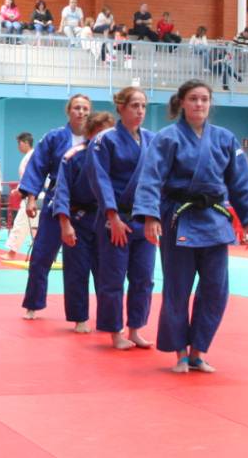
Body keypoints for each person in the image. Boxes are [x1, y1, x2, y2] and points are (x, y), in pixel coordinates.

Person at [133, 79, 248, 373]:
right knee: (177, 289)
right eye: (193, 98)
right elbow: (151, 178)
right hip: (179, 218)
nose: (199, 104)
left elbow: (241, 182)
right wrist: (150, 216)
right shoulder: (167, 138)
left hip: (214, 220)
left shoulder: (224, 138)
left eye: (204, 99)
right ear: (182, 102)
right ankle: (180, 352)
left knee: (216, 290)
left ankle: (198, 351)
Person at [86, 87, 155, 350]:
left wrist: (154, 216)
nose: (140, 111)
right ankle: (115, 331)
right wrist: (112, 216)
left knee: (144, 277)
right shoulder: (104, 140)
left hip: (143, 219)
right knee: (113, 278)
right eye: (134, 105)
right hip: (115, 219)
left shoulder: (151, 140)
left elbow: (157, 181)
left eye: (143, 106)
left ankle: (135, 328)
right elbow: (100, 179)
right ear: (121, 107)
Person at [19, 94, 91, 320]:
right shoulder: (54, 137)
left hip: (85, 207)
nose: (81, 112)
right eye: (77, 107)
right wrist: (32, 198)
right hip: (55, 200)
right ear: (69, 111)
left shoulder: (96, 138)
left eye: (85, 108)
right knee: (41, 255)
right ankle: (33, 303)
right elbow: (37, 166)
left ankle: (79, 316)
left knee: (78, 264)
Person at [53, 111, 116, 333]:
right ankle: (79, 318)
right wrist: (65, 223)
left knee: (109, 273)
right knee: (77, 271)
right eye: (99, 133)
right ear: (89, 134)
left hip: (107, 219)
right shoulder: (73, 156)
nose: (103, 138)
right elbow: (61, 191)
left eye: (108, 133)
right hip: (79, 218)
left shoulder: (118, 157)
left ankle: (110, 320)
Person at [1, 132, 35, 260]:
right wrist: (18, 189)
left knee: (21, 224)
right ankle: (40, 255)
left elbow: (31, 177)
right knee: (35, 228)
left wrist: (20, 190)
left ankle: (12, 253)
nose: (18, 146)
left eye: (19, 143)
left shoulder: (31, 156)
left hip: (31, 196)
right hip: (33, 194)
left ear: (26, 142)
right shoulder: (31, 156)